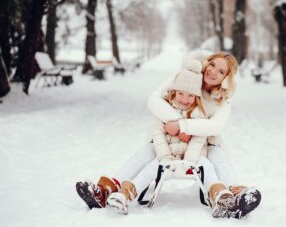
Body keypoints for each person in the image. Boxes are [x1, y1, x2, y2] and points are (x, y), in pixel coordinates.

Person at [76, 50, 261, 219]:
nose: (213, 72)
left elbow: (215, 126)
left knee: (219, 158)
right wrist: (178, 127)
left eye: (221, 72)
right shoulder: (184, 76)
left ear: (226, 79)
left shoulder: (223, 97)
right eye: (212, 65)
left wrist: (185, 127)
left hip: (203, 143)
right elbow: (154, 100)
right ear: (206, 63)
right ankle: (105, 191)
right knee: (143, 154)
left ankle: (232, 198)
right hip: (167, 137)